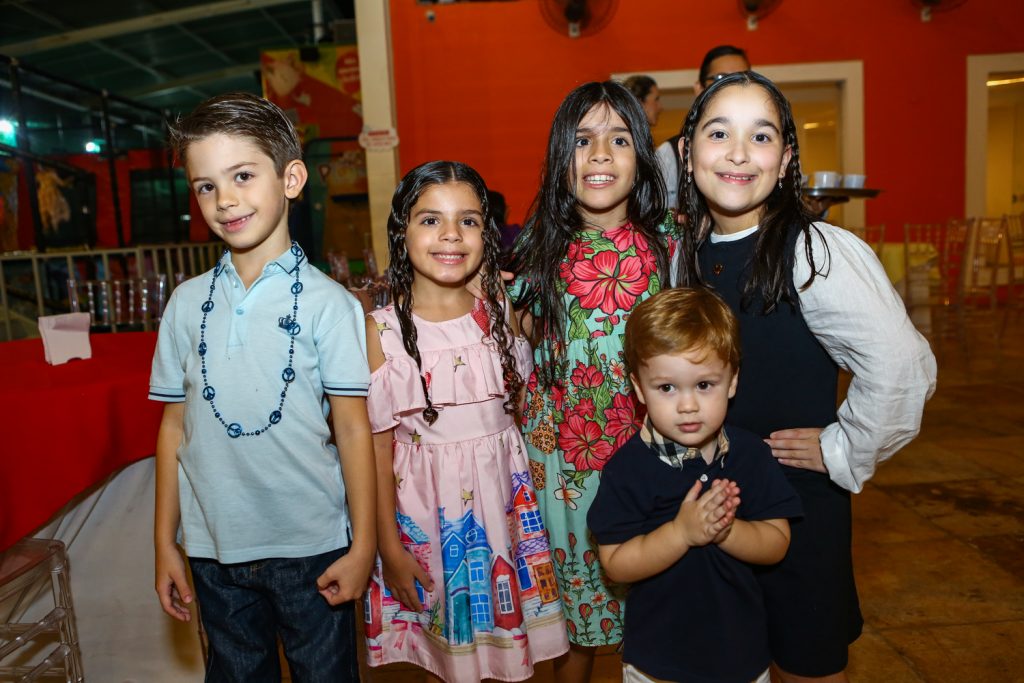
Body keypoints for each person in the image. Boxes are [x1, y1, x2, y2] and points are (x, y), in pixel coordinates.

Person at [674, 71, 937, 683]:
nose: (739, 153)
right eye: (719, 133)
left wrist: (842, 446)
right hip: (711, 504)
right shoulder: (687, 252)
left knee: (805, 662)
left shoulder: (814, 251)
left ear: (786, 158)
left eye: (760, 137)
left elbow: (903, 367)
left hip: (796, 506)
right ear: (687, 155)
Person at [150, 92, 376, 682]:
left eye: (242, 176)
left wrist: (364, 546)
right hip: (213, 548)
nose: (224, 200)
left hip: (312, 547)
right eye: (205, 186)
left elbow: (353, 428)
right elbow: (173, 426)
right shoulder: (184, 304)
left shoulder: (330, 304)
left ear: (291, 178)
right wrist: (165, 542)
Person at [363, 161, 569, 682]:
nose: (451, 234)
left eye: (469, 221)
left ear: (487, 234)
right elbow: (377, 451)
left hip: (502, 508)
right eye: (430, 220)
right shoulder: (380, 331)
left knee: (505, 655)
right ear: (401, 230)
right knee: (446, 653)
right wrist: (388, 545)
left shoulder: (500, 310)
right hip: (427, 517)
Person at [508, 80, 677, 683]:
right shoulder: (538, 247)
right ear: (561, 157)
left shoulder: (669, 248)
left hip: (648, 455)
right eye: (583, 140)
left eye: (619, 139)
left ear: (643, 157)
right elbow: (518, 333)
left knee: (654, 618)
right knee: (571, 634)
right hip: (563, 469)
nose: (600, 154)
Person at [588, 287, 803, 683]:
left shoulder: (751, 455)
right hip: (657, 664)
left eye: (704, 385)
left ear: (732, 382)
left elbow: (777, 543)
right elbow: (615, 563)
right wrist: (682, 533)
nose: (687, 405)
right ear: (639, 389)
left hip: (742, 657)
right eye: (667, 388)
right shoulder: (628, 469)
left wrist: (726, 531)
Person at [656, 45, 751, 212]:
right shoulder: (669, 153)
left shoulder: (768, 152)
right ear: (699, 89)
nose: (733, 87)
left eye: (743, 78)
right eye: (721, 77)